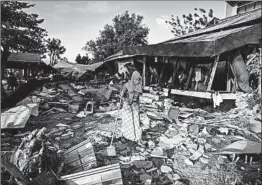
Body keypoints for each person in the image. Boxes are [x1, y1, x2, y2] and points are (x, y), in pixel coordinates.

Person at [120, 71, 144, 145]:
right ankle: (126, 136)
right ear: (132, 78)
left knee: (136, 122)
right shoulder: (127, 85)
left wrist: (139, 106)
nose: (137, 81)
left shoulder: (139, 87)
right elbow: (121, 95)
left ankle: (138, 138)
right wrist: (122, 98)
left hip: (135, 106)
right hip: (127, 106)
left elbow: (139, 98)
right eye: (136, 79)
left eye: (138, 80)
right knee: (127, 122)